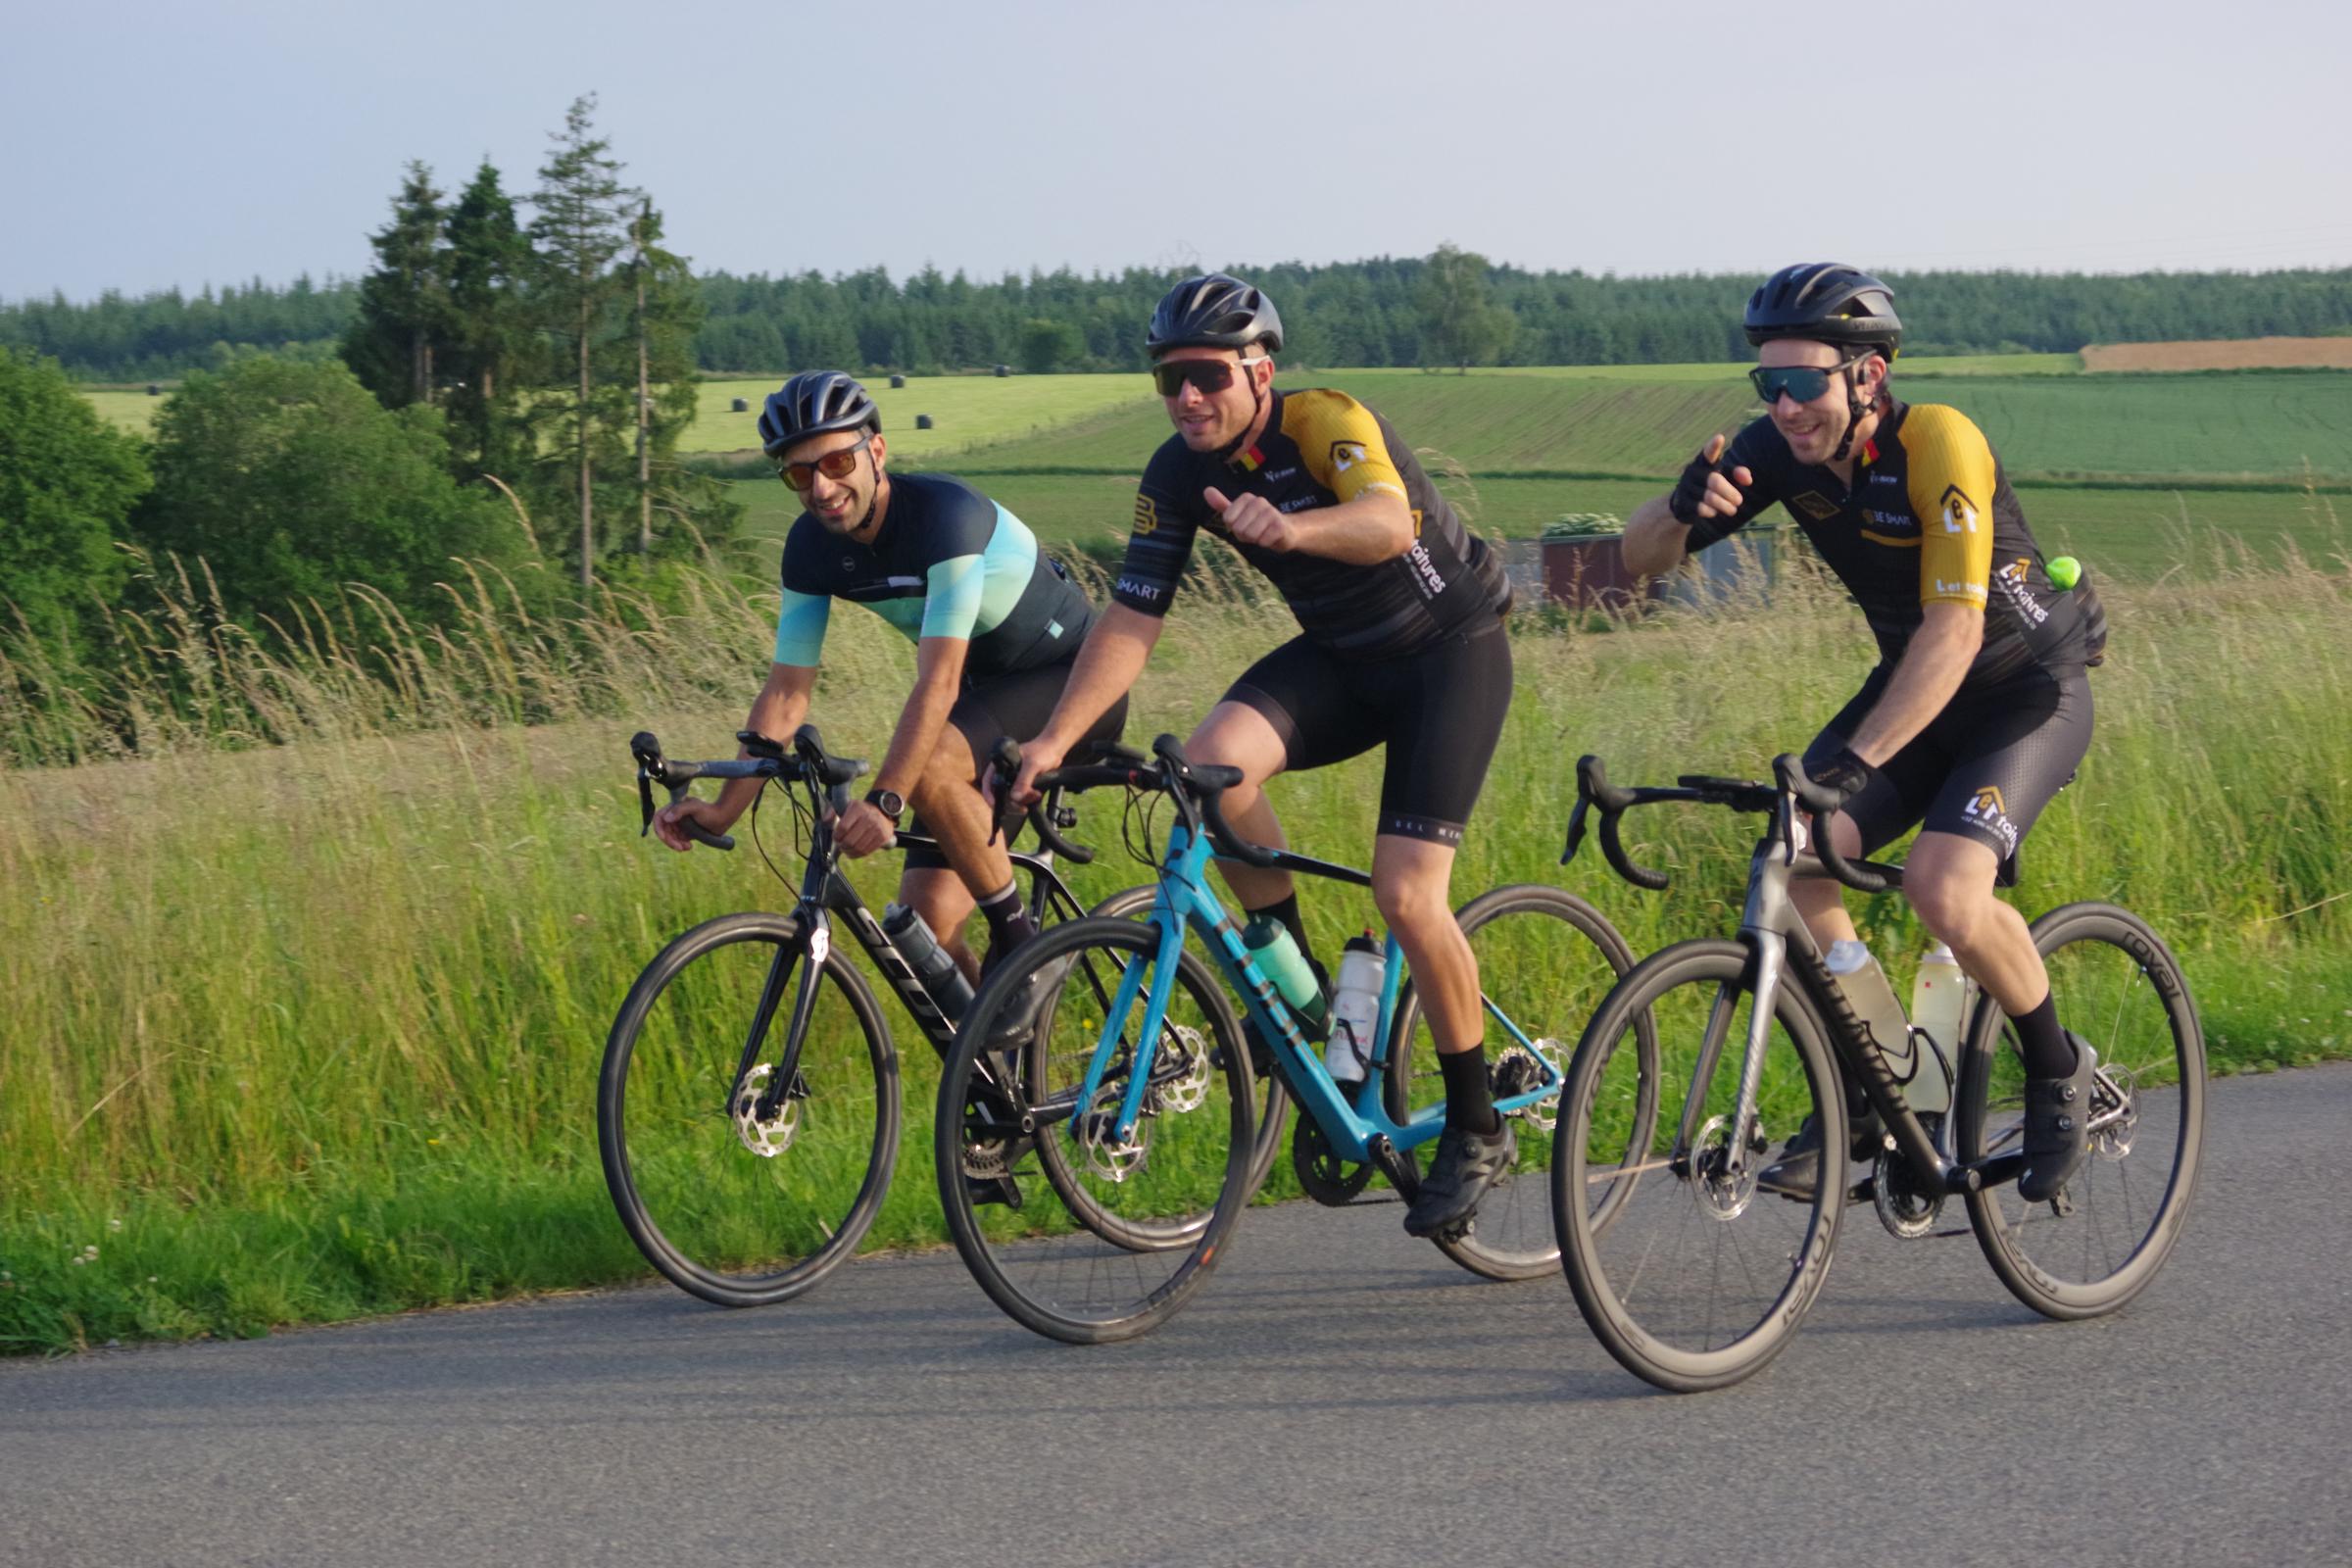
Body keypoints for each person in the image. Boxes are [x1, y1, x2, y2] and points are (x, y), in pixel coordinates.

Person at [1004, 273, 1519, 1238]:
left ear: (1259, 372)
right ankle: (1302, 985)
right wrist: (1054, 741)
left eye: (1207, 375)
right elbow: (1131, 618)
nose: (1188, 396)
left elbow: (1389, 521)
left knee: (1407, 894)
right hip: (1343, 659)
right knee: (1211, 766)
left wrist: (1292, 527)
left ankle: (1478, 1123)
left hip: (1448, 654)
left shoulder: (1324, 421)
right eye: (1170, 379)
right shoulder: (1175, 472)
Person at [1619, 263, 2102, 1202]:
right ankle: (1886, 1081)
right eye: (1769, 382)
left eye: (1805, 381)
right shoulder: (1776, 449)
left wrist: (1854, 764)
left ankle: (2057, 1068)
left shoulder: (1939, 443)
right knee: (1794, 863)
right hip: (1916, 689)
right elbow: (1637, 563)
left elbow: (1954, 630)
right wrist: (1678, 509)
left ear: (1869, 375)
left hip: (2023, 692)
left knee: (1943, 887)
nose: (1785, 405)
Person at [654, 369, 1125, 992]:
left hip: (1071, 687)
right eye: (799, 474)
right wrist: (723, 810)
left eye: (837, 462)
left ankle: (1022, 945)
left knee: (926, 770)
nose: (822, 488)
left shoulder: (944, 518)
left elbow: (939, 681)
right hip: (988, 705)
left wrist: (885, 801)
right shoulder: (811, 548)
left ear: (876, 451)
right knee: (926, 930)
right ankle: (995, 1052)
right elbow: (786, 693)